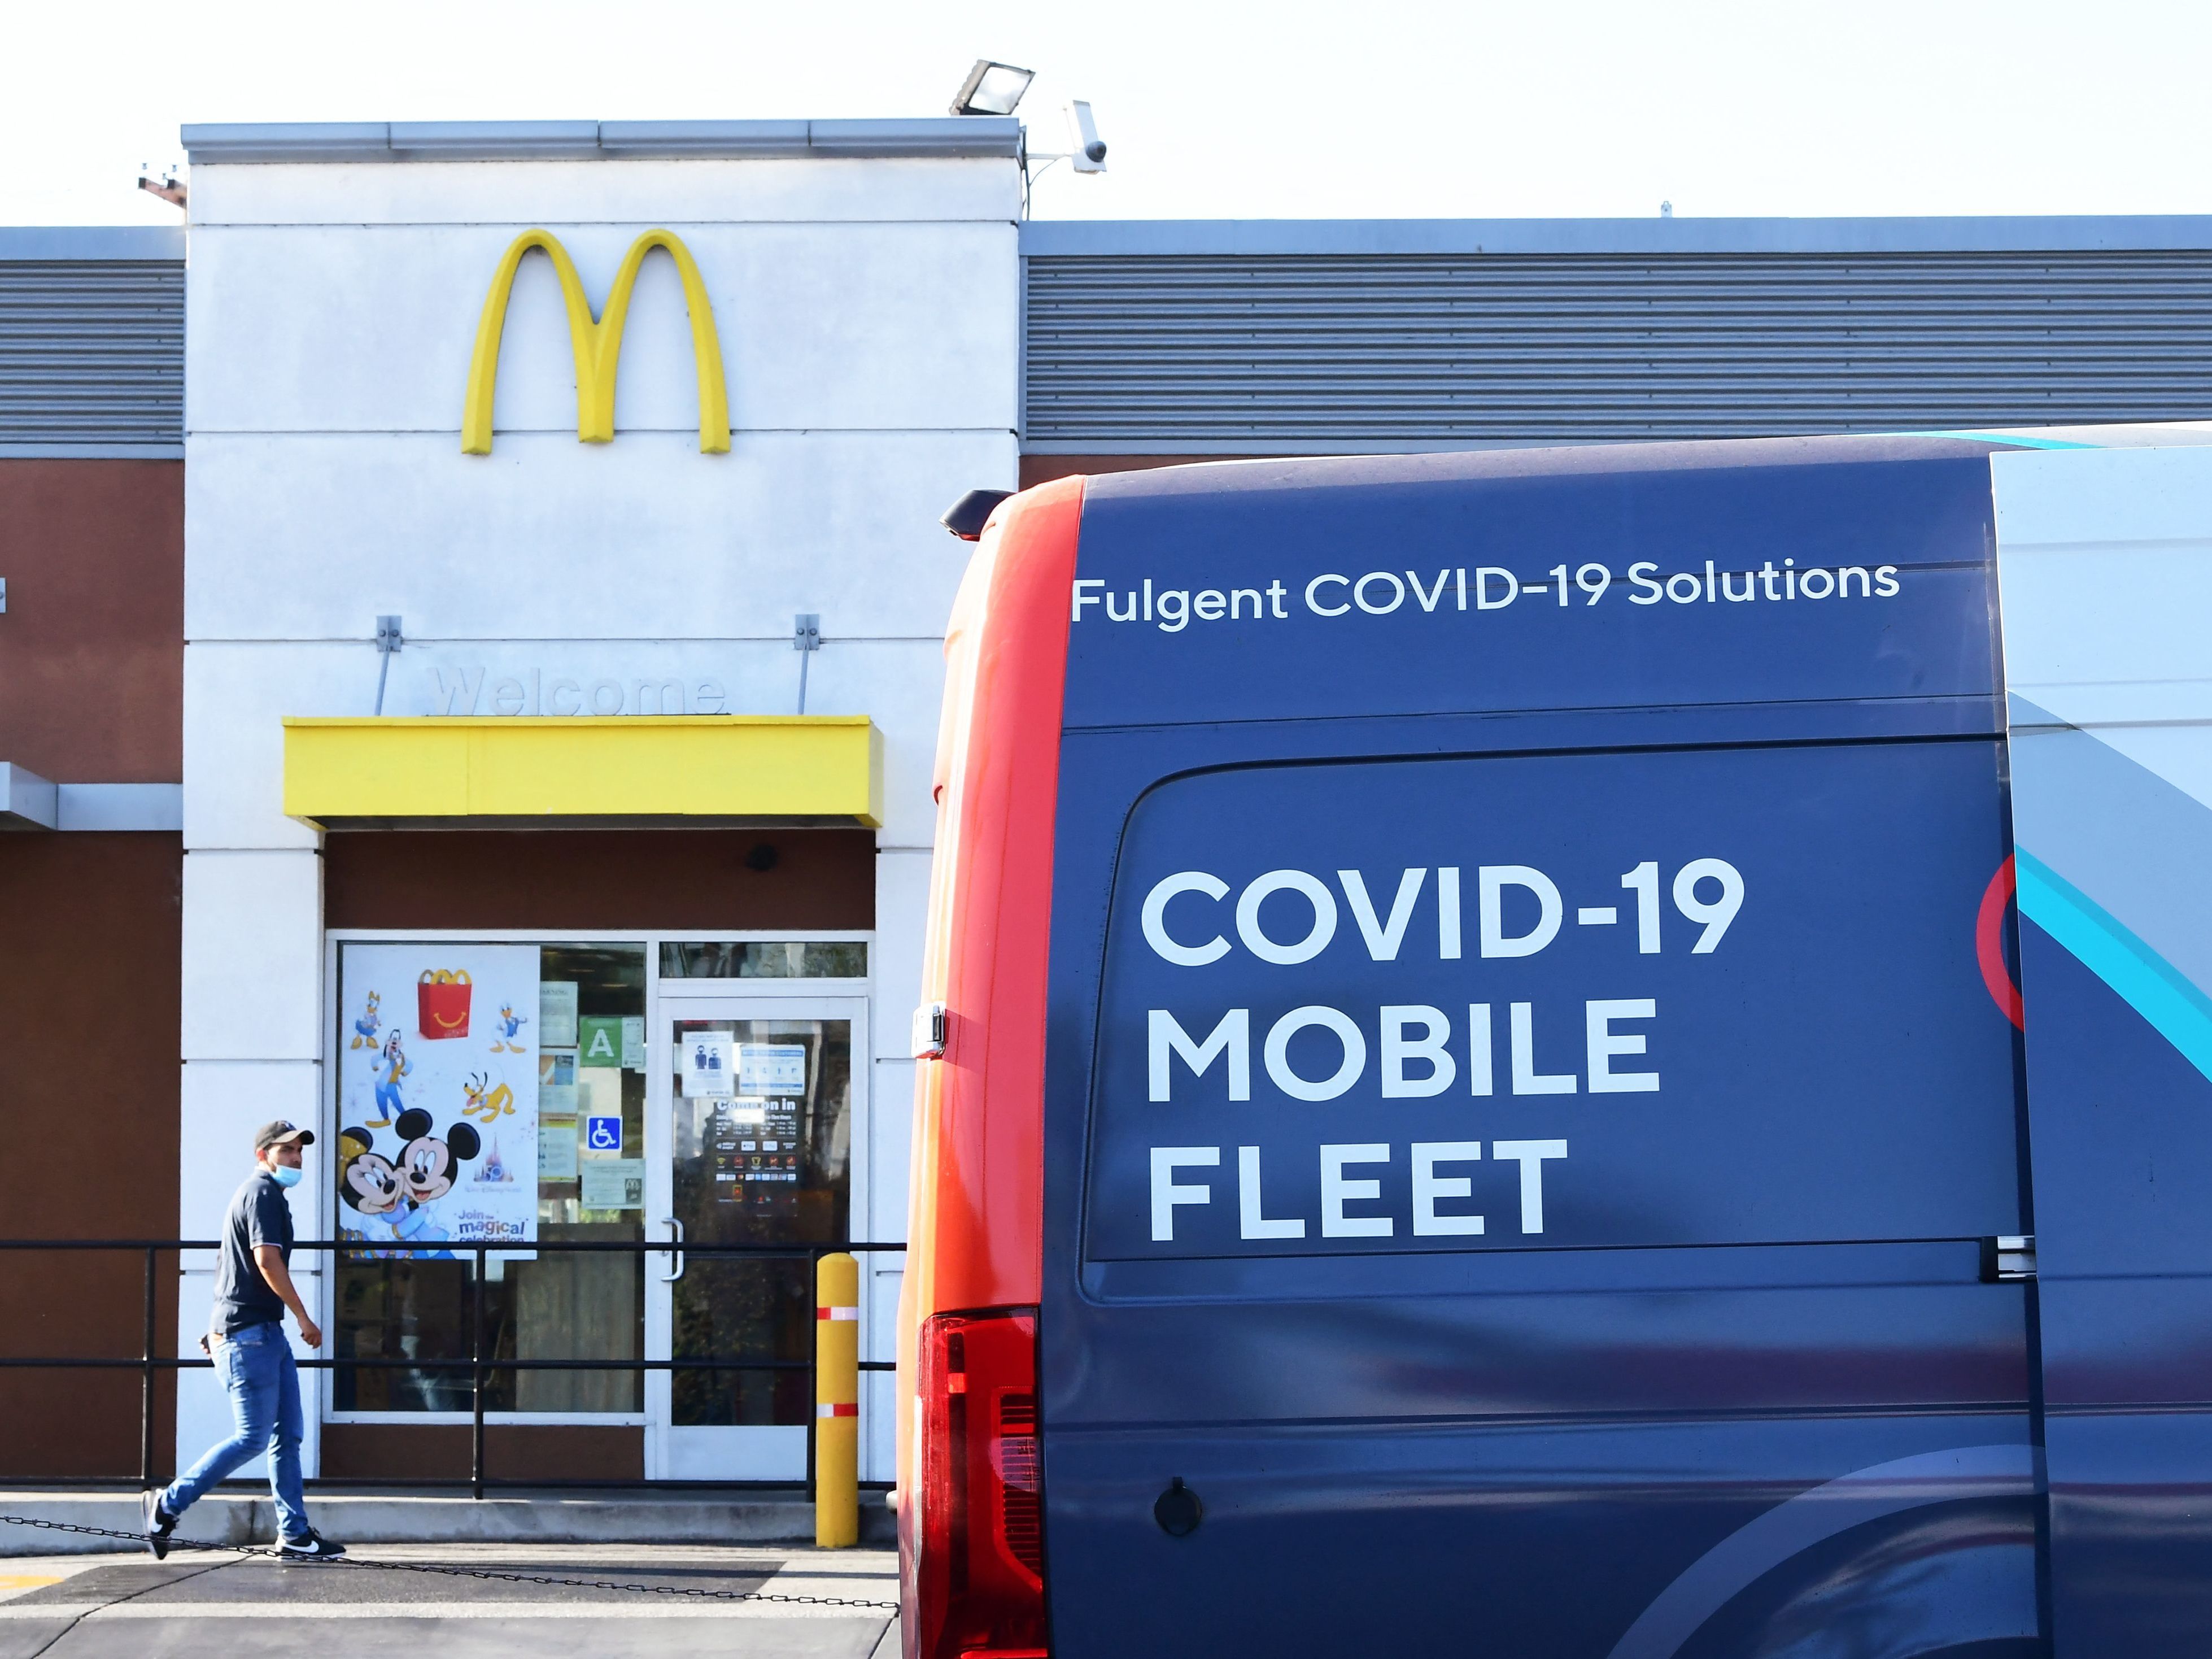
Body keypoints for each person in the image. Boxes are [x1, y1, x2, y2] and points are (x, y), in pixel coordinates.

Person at [143, 1121, 346, 1561]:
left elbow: (229, 1263)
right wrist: (303, 1316)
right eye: (286, 1150)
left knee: (287, 1435)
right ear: (263, 1154)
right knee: (254, 1437)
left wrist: (217, 1323)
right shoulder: (262, 1193)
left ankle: (294, 1533)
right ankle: (168, 1503)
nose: (295, 1158)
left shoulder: (263, 1195)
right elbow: (265, 1259)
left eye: (298, 1151)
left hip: (259, 1333)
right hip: (251, 1336)